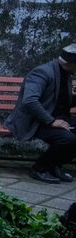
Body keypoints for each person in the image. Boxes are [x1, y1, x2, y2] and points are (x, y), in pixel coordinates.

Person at [5, 44, 76, 183]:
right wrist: (52, 121)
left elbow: (61, 101)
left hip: (56, 118)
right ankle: (39, 169)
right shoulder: (43, 72)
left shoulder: (66, 74)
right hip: (36, 122)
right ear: (69, 64)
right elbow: (30, 101)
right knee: (68, 139)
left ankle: (53, 166)